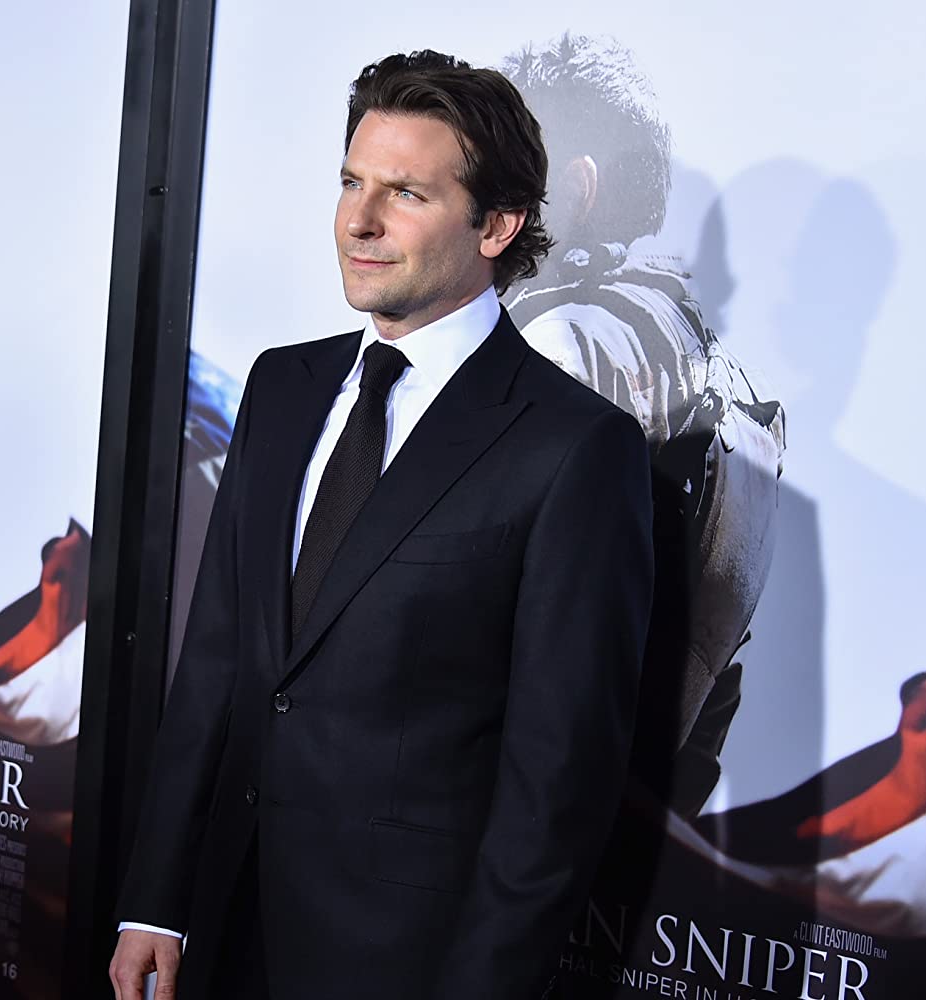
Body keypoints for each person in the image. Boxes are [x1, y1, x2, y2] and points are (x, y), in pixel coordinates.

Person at [110, 50, 654, 999]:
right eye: (351, 182)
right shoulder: (283, 384)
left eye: (405, 193)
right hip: (222, 930)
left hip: (406, 963)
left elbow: (557, 783)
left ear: (498, 224)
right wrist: (155, 900)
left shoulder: (575, 447)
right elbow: (217, 662)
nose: (358, 221)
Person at [501, 34, 784, 814]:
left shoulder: (562, 348)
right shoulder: (732, 388)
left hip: (490, 834)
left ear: (575, 188)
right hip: (615, 838)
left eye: (490, 170)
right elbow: (710, 709)